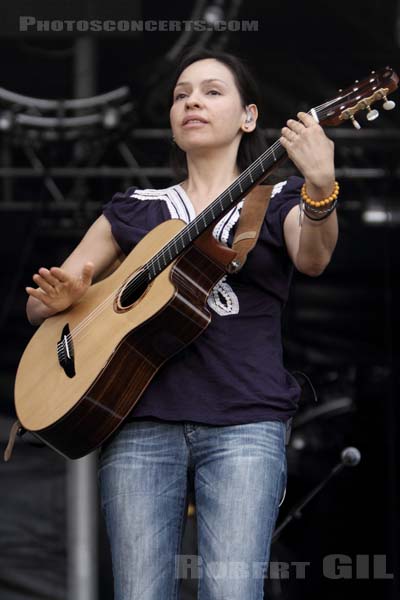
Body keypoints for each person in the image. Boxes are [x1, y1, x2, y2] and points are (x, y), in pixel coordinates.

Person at [26, 49, 338, 600]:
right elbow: (41, 308)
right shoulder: (135, 208)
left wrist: (320, 189)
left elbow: (312, 258)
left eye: (212, 91)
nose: (192, 100)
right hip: (140, 422)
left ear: (248, 117)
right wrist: (65, 298)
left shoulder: (279, 198)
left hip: (246, 422)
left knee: (232, 593)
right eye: (181, 94)